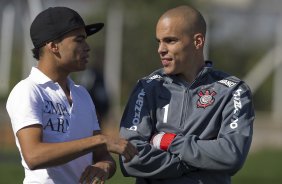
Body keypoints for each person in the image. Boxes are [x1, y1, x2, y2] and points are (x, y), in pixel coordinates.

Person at [119, 5, 255, 184]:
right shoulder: (147, 88)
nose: (161, 49)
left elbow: (232, 155)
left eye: (170, 40)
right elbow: (130, 158)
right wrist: (196, 162)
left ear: (198, 41)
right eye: (158, 41)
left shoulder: (233, 91)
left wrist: (168, 142)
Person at [6, 7, 137, 184]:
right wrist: (98, 140)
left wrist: (103, 166)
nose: (87, 47)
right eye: (79, 40)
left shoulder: (82, 94)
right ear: (53, 46)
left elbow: (102, 155)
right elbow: (34, 156)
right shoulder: (28, 91)